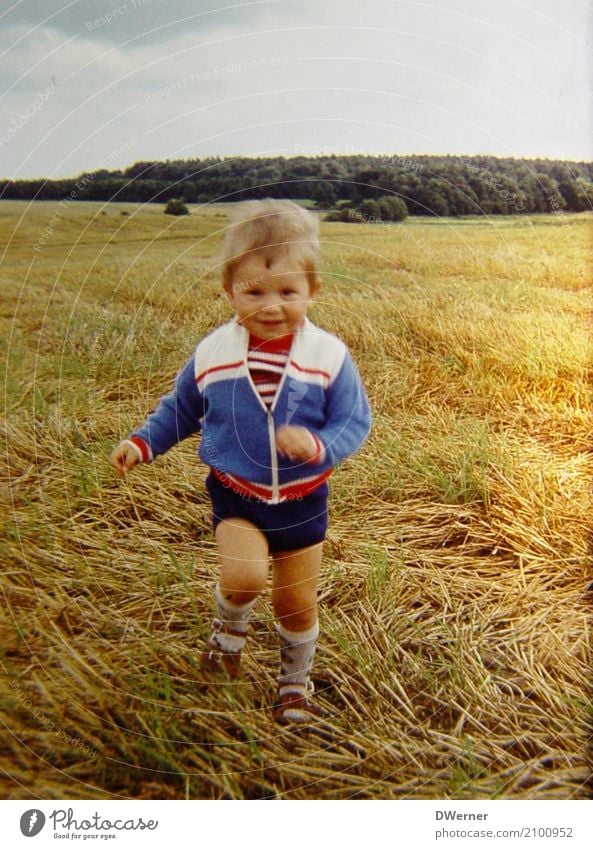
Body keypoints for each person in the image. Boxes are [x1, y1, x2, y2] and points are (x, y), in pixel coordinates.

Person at [109, 199, 371, 724]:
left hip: (302, 501)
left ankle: (294, 684)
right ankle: (228, 635)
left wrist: (319, 447)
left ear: (312, 291)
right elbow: (181, 409)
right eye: (254, 291)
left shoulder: (328, 356)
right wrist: (144, 442)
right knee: (245, 577)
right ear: (228, 291)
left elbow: (353, 421)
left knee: (295, 604)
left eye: (287, 292)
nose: (271, 306)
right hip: (237, 494)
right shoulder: (213, 353)